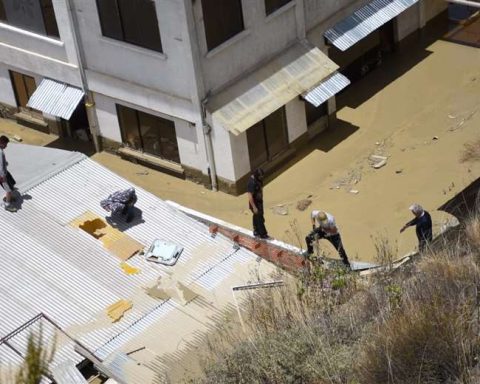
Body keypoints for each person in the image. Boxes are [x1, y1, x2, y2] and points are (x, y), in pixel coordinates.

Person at [247, 168, 269, 239]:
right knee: (260, 218)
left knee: (257, 216)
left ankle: (256, 230)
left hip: (259, 201)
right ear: (257, 175)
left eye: (262, 176)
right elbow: (250, 196)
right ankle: (263, 234)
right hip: (255, 203)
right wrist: (254, 207)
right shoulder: (252, 183)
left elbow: (260, 188)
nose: (261, 178)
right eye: (260, 176)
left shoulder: (259, 179)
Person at [0, 135, 16, 212]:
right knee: (8, 189)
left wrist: (5, 163)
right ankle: (8, 204)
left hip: (3, 173)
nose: (6, 146)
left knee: (11, 184)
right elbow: (1, 165)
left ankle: (9, 197)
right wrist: (3, 176)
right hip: (2, 175)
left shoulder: (1, 151)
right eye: (5, 144)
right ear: (1, 143)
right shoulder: (0, 152)